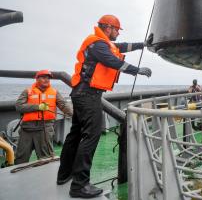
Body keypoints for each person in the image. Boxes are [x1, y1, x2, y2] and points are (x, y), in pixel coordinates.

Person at [57, 15, 152, 198]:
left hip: (81, 93)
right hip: (87, 95)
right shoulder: (99, 44)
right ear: (108, 27)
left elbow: (122, 47)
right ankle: (79, 185)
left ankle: (65, 174)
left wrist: (143, 44)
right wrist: (137, 70)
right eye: (116, 29)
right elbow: (113, 61)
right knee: (90, 136)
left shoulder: (101, 42)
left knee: (75, 134)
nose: (117, 33)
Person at [15, 70, 73, 164]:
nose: (46, 80)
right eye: (43, 77)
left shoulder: (54, 92)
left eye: (48, 78)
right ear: (37, 79)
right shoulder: (27, 91)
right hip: (27, 129)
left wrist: (75, 115)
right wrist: (37, 107)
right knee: (20, 157)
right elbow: (18, 106)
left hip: (45, 128)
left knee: (46, 158)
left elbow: (64, 105)